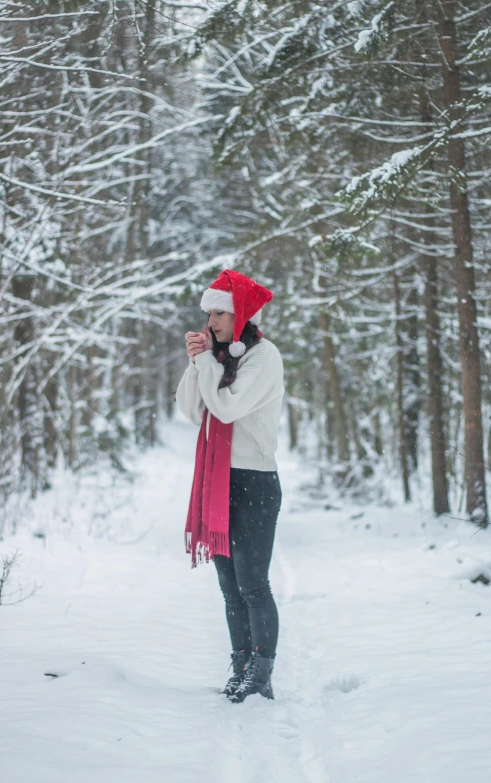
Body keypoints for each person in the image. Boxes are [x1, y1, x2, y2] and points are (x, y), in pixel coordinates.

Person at [176, 269, 285, 703]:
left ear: (239, 314)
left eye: (220, 312)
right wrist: (196, 363)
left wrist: (206, 363)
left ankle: (262, 671)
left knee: (253, 584)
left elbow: (224, 408)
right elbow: (191, 410)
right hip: (219, 481)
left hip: (255, 481)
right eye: (209, 313)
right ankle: (241, 663)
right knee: (229, 586)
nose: (212, 320)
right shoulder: (220, 359)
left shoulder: (263, 357)